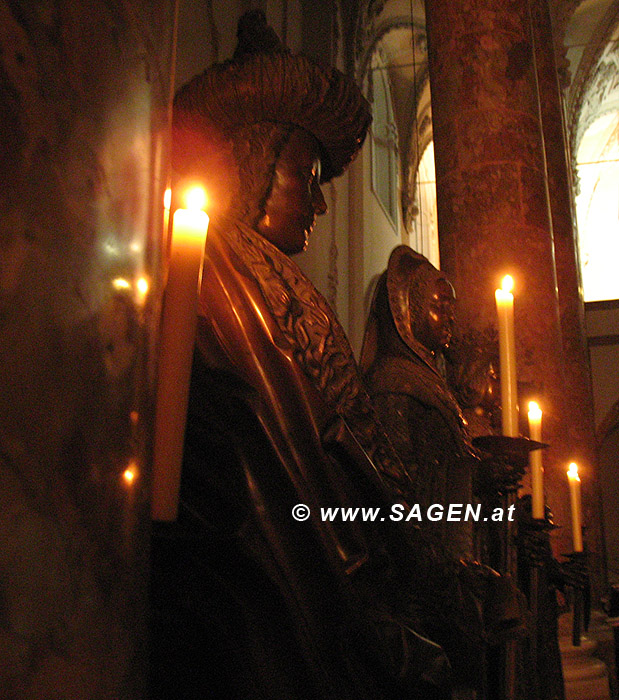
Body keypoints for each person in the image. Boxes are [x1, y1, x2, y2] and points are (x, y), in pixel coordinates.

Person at [149, 11, 492, 700]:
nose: (320, 203)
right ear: (255, 165)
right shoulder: (221, 277)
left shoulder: (271, 279)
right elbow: (280, 458)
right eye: (305, 173)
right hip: (294, 586)